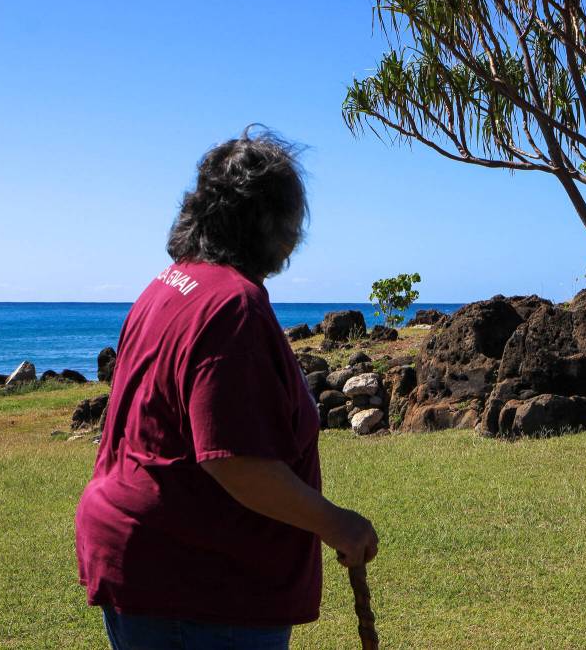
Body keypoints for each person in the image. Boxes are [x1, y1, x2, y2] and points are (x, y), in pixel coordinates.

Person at [75, 126, 379, 650]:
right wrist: (338, 524)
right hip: (198, 584)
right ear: (266, 220)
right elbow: (233, 460)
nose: (297, 234)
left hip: (146, 559)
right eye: (292, 216)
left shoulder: (168, 286)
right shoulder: (232, 307)